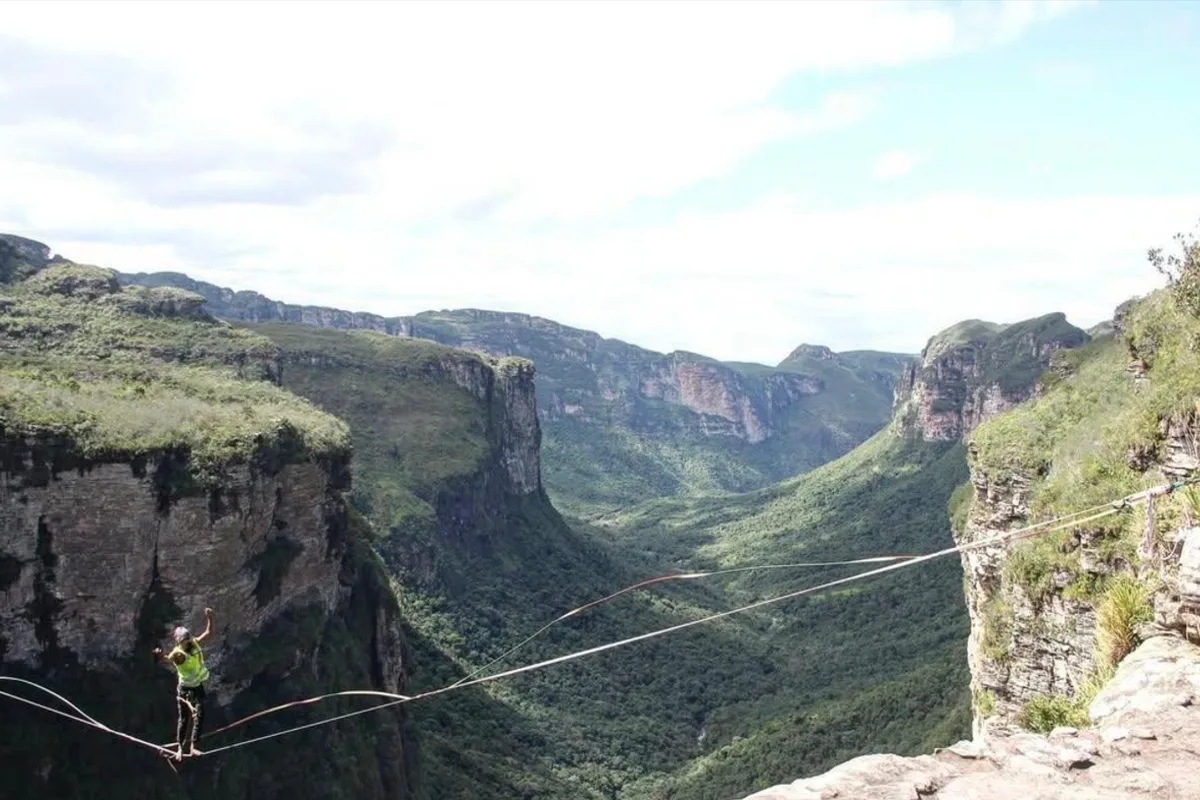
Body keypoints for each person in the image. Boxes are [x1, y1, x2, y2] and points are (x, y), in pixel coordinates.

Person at [153, 607, 214, 760]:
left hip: (197, 686)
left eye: (188, 638)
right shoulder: (178, 653)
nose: (188, 641)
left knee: (199, 715)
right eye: (185, 640)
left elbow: (208, 633)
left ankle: (193, 746)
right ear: (180, 641)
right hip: (185, 689)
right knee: (185, 718)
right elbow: (167, 660)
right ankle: (180, 748)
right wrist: (159, 656)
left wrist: (210, 618)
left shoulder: (193, 643)